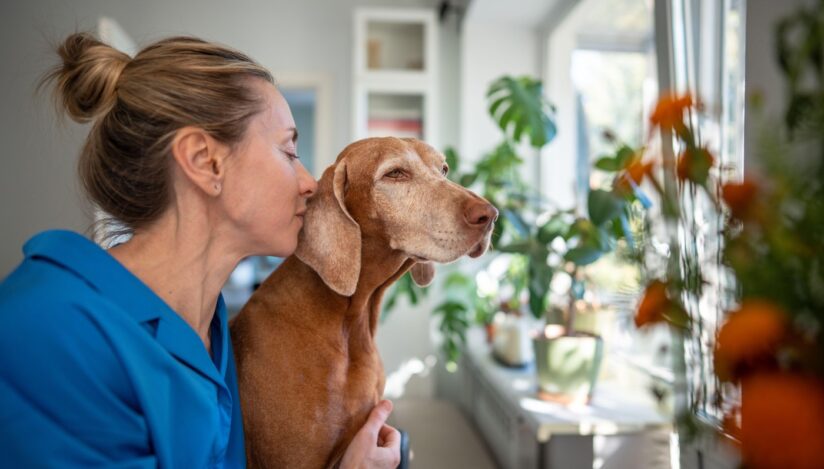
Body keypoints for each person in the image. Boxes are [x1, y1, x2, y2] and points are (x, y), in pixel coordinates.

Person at [0, 33, 401, 468]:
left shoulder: (210, 332)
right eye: (288, 151)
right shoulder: (49, 330)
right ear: (204, 161)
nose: (309, 182)